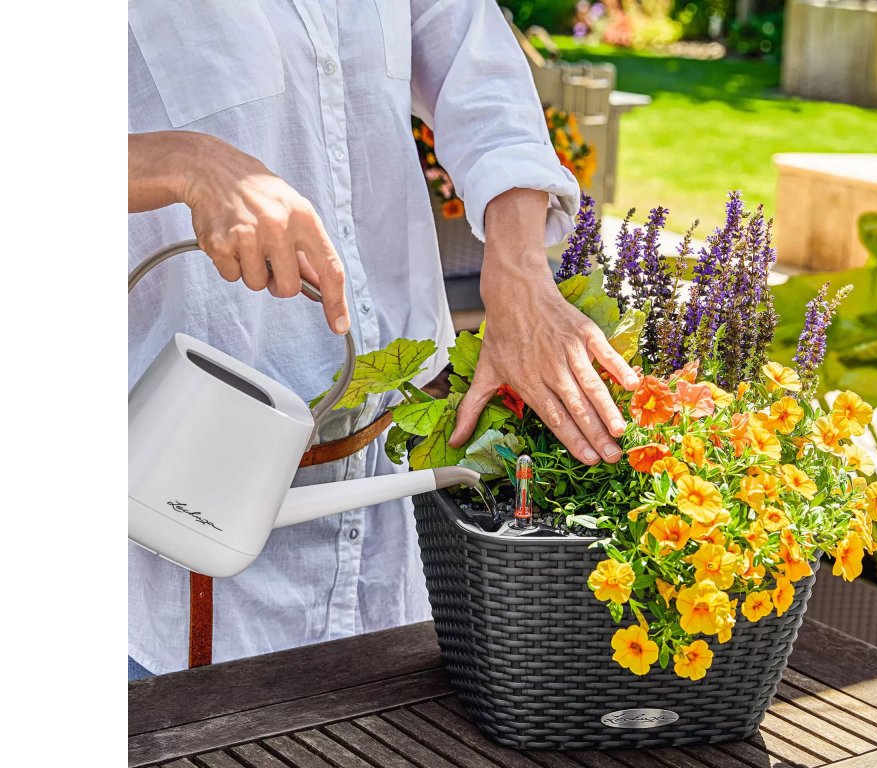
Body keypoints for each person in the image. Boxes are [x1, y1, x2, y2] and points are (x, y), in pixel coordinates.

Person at [128, 0, 639, 679]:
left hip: (393, 520)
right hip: (176, 548)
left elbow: (478, 73)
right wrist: (183, 161)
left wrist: (519, 270)